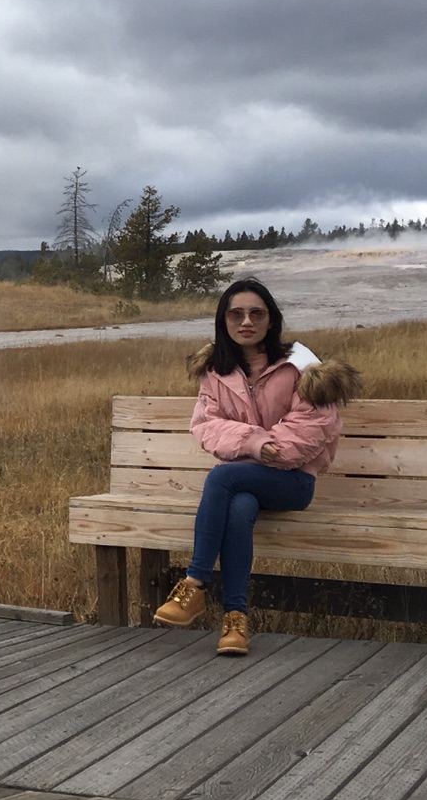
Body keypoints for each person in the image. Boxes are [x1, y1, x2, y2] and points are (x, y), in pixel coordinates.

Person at [152, 278, 358, 655]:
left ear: (270, 319)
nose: (246, 321)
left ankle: (194, 583)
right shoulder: (215, 372)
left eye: (256, 313)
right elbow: (205, 425)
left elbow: (316, 427)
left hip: (294, 481)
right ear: (224, 320)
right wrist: (253, 443)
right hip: (245, 482)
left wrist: (268, 449)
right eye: (236, 313)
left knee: (223, 477)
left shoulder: (302, 368)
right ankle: (236, 621)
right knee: (240, 504)